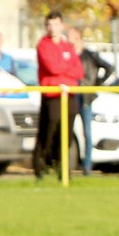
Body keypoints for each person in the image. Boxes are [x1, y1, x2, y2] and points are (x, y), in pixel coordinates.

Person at [34, 10, 84, 180]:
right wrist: (66, 67)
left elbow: (79, 71)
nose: (52, 28)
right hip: (52, 95)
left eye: (55, 24)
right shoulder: (43, 45)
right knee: (49, 132)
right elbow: (52, 68)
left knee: (67, 134)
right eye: (49, 24)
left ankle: (63, 169)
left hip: (68, 94)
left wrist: (63, 68)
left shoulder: (67, 46)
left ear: (61, 25)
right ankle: (42, 167)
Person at [67, 26, 114, 175]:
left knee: (87, 132)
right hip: (72, 95)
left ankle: (87, 166)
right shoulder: (67, 55)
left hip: (85, 96)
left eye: (70, 36)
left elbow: (109, 68)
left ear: (78, 38)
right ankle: (66, 165)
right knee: (68, 130)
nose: (67, 38)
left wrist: (96, 84)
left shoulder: (89, 55)